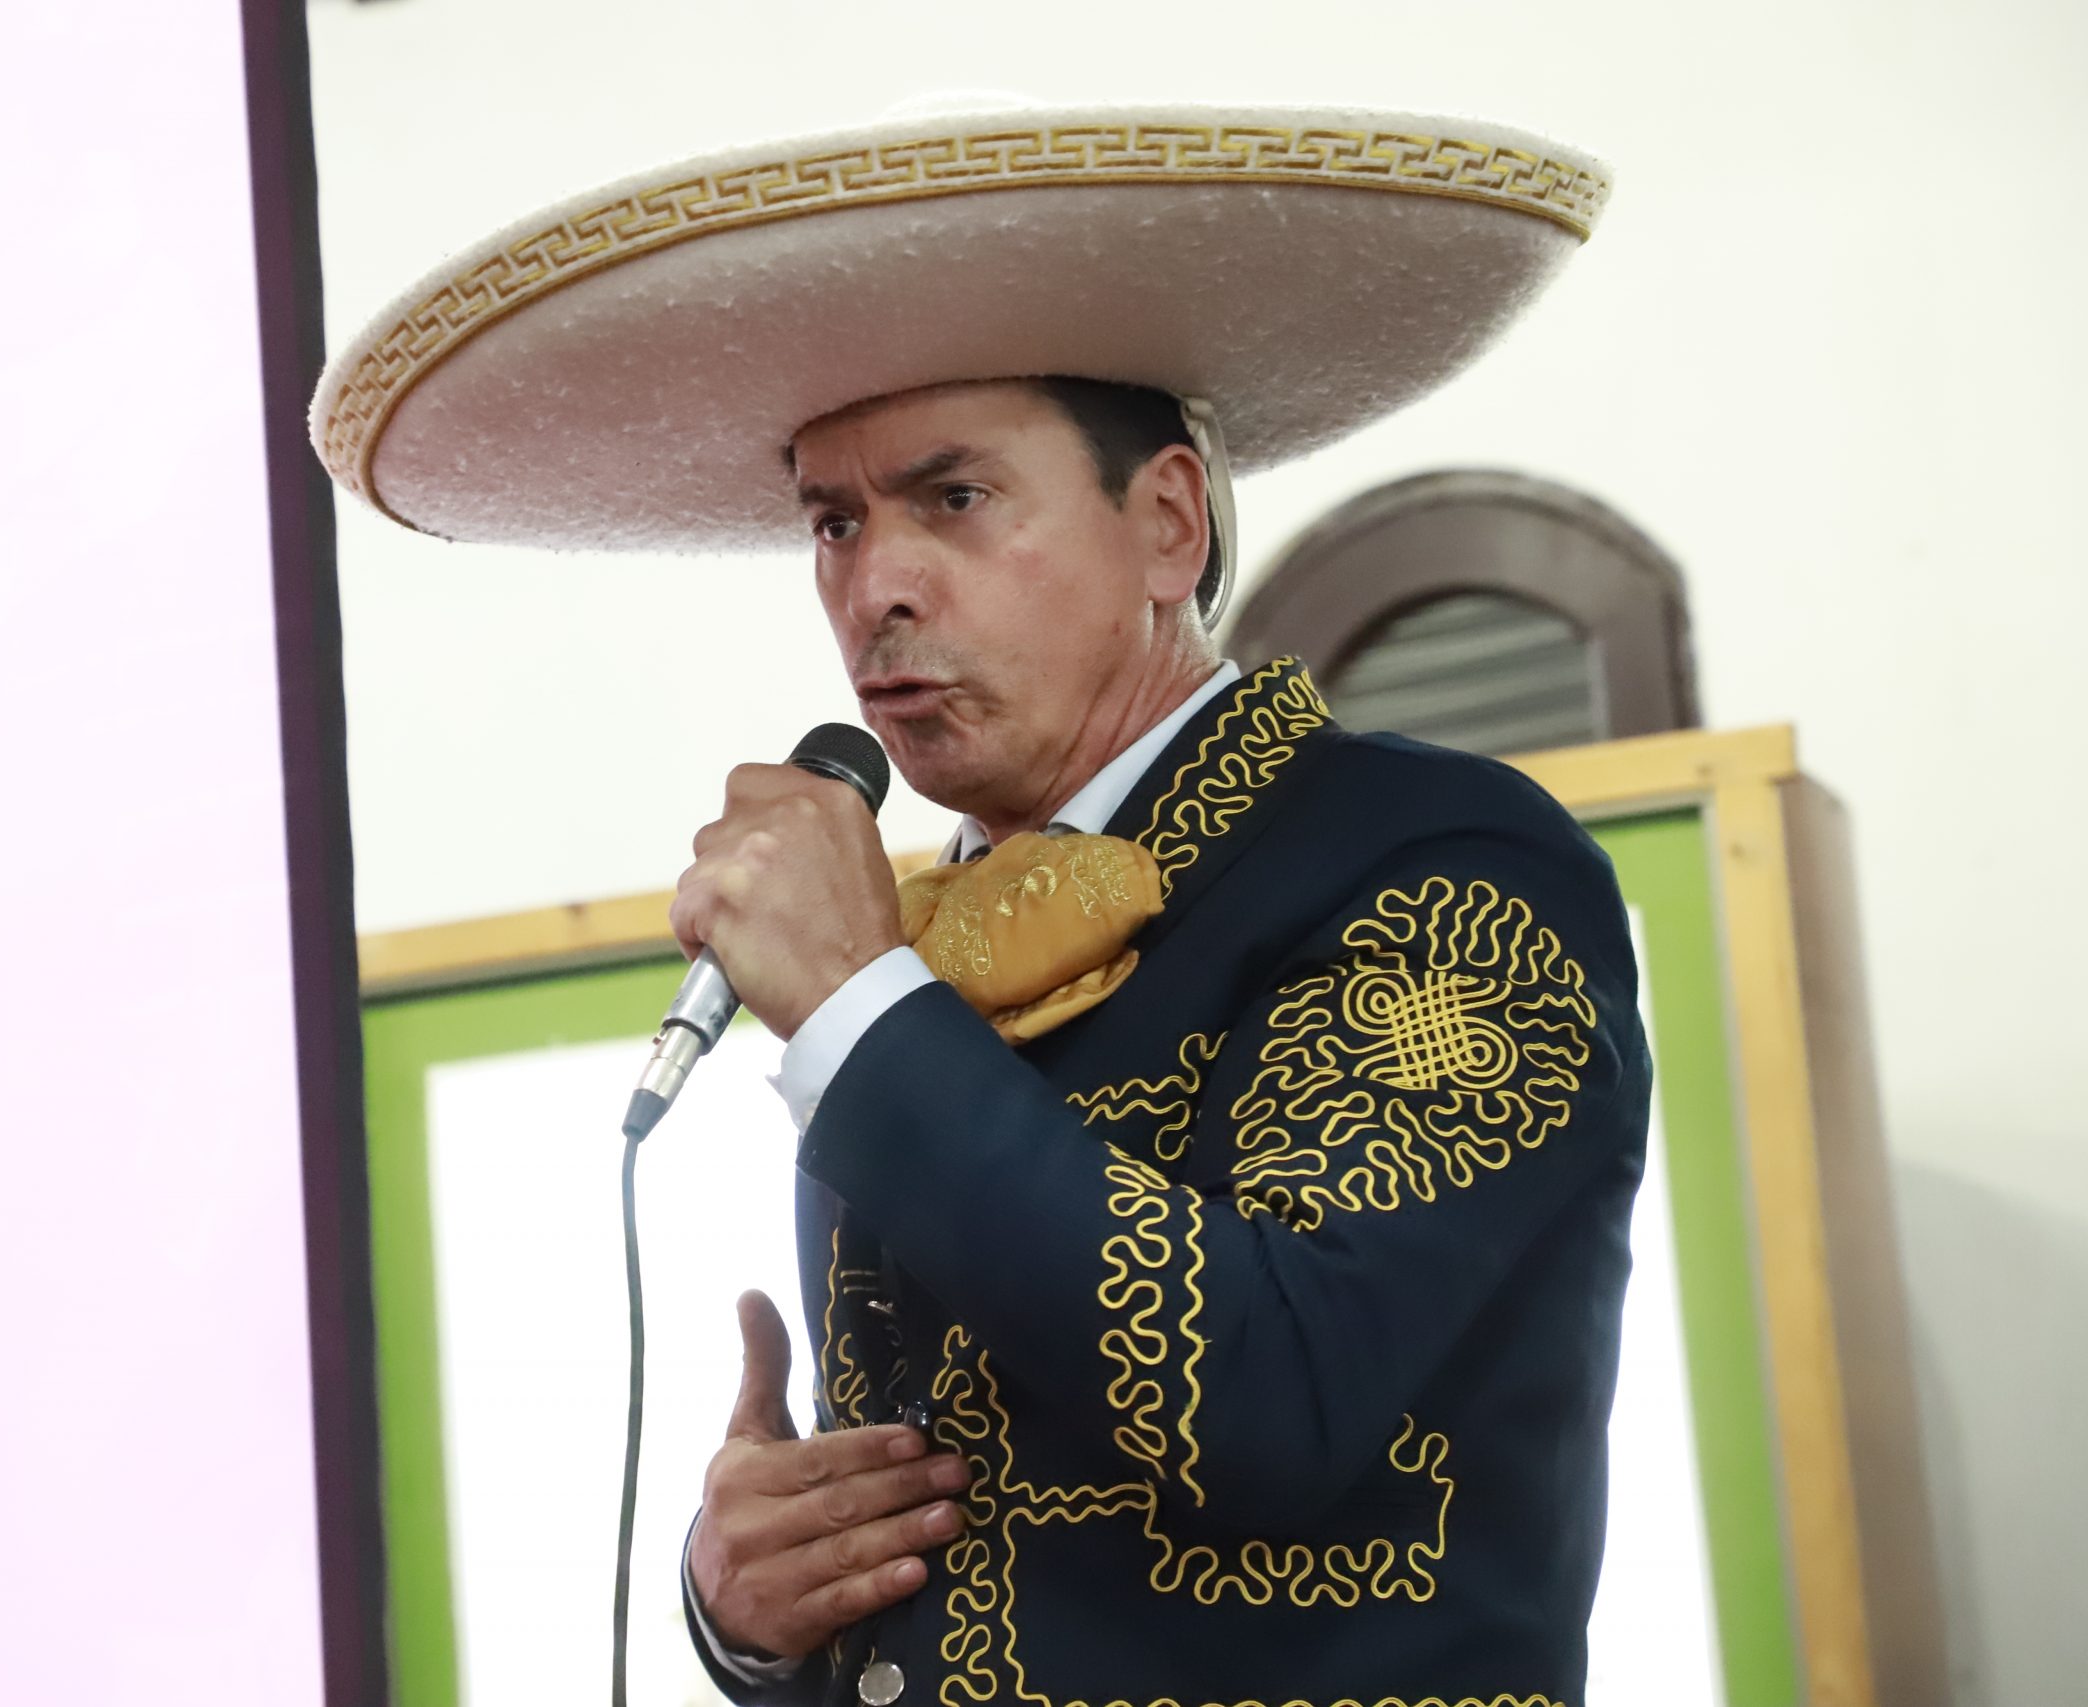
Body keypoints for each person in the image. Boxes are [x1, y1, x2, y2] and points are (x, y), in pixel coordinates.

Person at [310, 101, 1640, 1707]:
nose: (874, 586)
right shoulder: (930, 944)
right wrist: (755, 1605)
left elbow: (1278, 1394)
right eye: (834, 520)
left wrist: (856, 1007)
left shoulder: (1444, 863)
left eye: (952, 499)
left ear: (1168, 525)